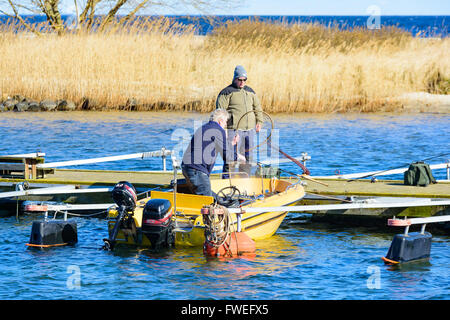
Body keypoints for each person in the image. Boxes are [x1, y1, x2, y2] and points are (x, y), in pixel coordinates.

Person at [181, 109, 245, 197]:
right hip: (197, 170)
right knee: (208, 202)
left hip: (186, 167)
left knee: (216, 198)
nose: (226, 124)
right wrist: (239, 157)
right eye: (226, 121)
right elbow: (227, 156)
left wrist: (231, 144)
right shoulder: (219, 130)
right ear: (220, 121)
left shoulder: (204, 127)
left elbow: (215, 146)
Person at [216, 65, 263, 177]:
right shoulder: (226, 92)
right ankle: (227, 181)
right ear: (235, 79)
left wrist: (259, 122)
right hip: (234, 130)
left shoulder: (250, 91)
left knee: (248, 159)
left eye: (244, 80)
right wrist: (224, 130)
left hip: (249, 130)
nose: (242, 82)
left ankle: (244, 181)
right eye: (240, 80)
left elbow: (258, 108)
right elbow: (220, 112)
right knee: (231, 158)